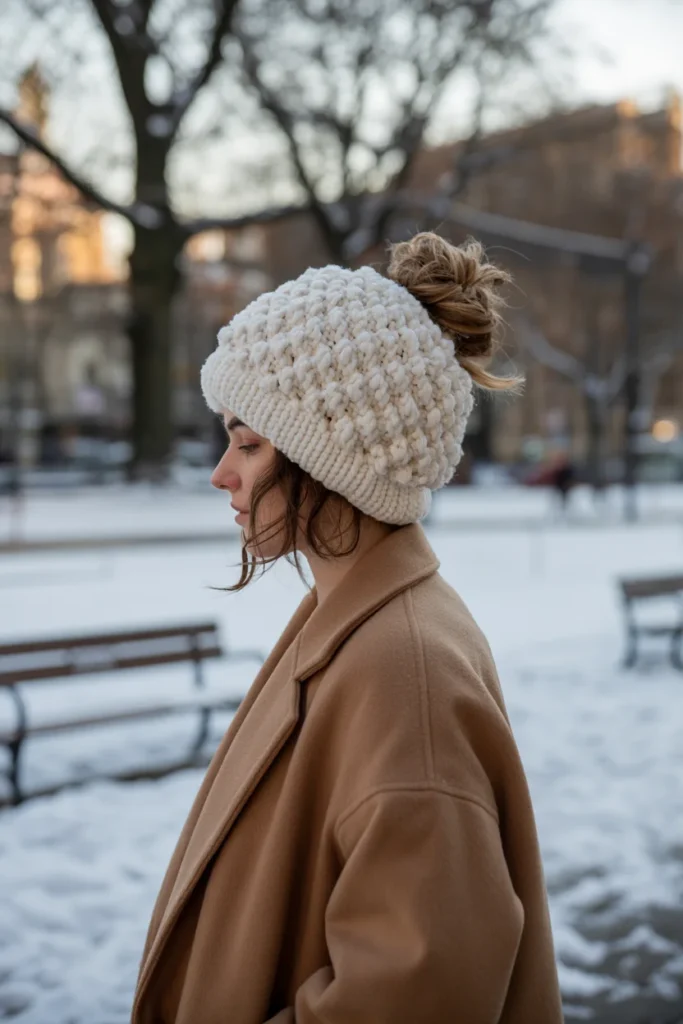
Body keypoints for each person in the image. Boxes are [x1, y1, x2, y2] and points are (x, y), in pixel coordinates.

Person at [132, 233, 563, 1024]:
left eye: (248, 442)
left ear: (326, 457)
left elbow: (419, 993)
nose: (221, 474)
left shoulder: (404, 672)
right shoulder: (356, 621)